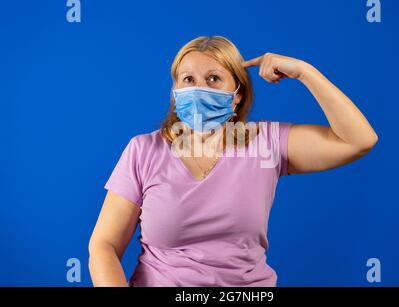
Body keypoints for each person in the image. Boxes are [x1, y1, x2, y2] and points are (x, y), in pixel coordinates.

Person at [88, 35, 378, 287]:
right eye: (188, 79)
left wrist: (304, 72)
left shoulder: (265, 143)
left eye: (213, 78)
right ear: (176, 91)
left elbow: (358, 140)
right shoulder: (144, 150)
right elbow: (105, 245)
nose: (199, 88)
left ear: (236, 95)